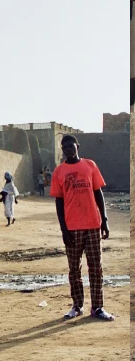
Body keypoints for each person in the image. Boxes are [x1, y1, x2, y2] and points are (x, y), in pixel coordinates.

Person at [49, 134, 114, 321]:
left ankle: (98, 307)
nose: (68, 149)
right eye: (64, 147)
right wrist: (63, 229)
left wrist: (104, 220)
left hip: (93, 225)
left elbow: (98, 193)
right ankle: (77, 306)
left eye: (71, 146)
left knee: (95, 268)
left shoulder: (89, 165)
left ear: (78, 146)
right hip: (72, 228)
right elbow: (59, 202)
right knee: (74, 269)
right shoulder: (59, 171)